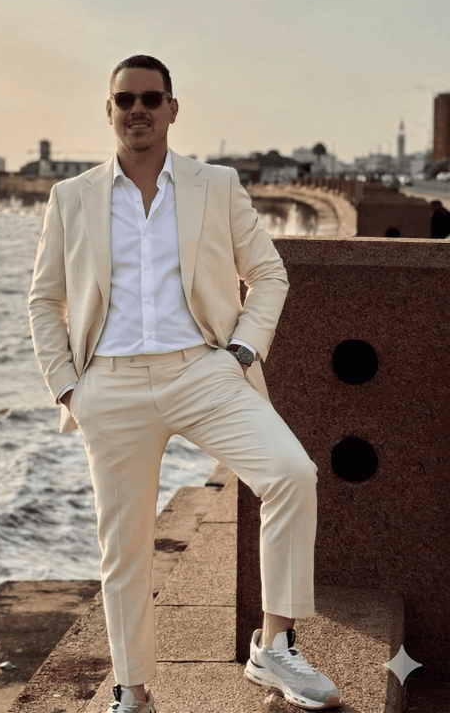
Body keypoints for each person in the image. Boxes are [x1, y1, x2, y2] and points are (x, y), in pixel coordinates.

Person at [28, 55, 342, 712]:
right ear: (108, 111)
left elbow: (269, 274)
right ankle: (133, 691)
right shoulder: (72, 198)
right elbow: (44, 300)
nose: (136, 109)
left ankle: (274, 646)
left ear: (173, 108)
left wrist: (240, 353)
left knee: (290, 472)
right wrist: (68, 388)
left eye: (150, 98)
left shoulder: (216, 186)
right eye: (124, 100)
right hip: (108, 385)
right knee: (125, 549)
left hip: (202, 369)